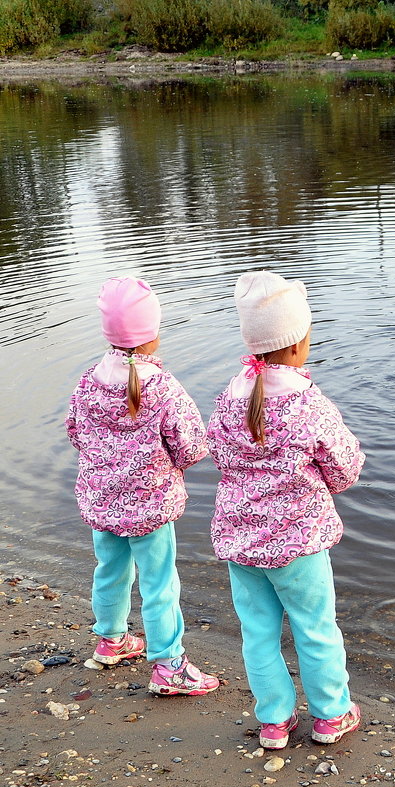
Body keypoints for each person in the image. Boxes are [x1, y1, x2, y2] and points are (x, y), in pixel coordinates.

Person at [207, 271, 365, 749]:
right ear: (297, 344)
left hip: (239, 542)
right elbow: (344, 468)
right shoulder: (308, 402)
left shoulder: (229, 396)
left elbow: (215, 448)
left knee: (257, 633)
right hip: (298, 544)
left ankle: (274, 721)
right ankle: (330, 714)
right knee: (314, 627)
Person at [65, 276, 219, 697]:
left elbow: (75, 432)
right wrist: (167, 465)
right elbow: (192, 446)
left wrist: (105, 464)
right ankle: (169, 666)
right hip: (150, 505)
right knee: (159, 583)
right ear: (152, 332)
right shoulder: (163, 386)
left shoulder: (88, 380)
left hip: (101, 500)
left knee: (109, 569)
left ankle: (111, 640)